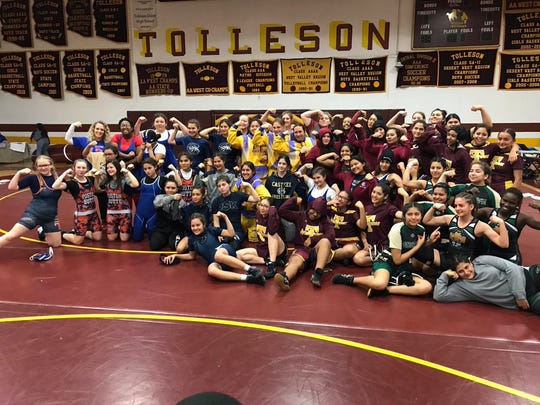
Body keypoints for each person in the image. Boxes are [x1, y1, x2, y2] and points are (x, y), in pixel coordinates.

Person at [332, 202, 433, 298]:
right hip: (387, 261)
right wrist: (416, 247)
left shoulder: (421, 229)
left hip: (404, 267)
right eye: (410, 214)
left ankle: (387, 289)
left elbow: (420, 246)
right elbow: (397, 259)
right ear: (404, 216)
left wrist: (430, 241)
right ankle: (351, 279)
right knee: (379, 284)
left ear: (421, 215)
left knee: (426, 287)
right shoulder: (397, 229)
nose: (413, 217)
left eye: (417, 214)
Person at [160, 212, 266, 286]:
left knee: (218, 255)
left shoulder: (210, 230)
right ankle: (247, 278)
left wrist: (225, 217)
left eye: (198, 225)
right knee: (211, 270)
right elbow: (191, 256)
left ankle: (251, 269)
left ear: (204, 224)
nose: (195, 228)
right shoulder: (191, 240)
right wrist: (175, 255)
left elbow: (231, 233)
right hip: (218, 262)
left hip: (224, 251)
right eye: (193, 226)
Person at [422, 191, 509, 271]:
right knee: (421, 255)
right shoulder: (450, 219)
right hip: (449, 259)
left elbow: (504, 244)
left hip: (465, 265)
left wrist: (501, 223)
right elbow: (427, 221)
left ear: (471, 206)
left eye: (461, 205)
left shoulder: (480, 226)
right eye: (455, 206)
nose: (457, 208)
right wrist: (433, 207)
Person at [433, 254, 540, 316]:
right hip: (529, 297)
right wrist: (445, 275)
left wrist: (519, 295)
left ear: (470, 263)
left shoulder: (481, 260)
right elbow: (439, 295)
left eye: (467, 267)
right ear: (456, 273)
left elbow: (512, 268)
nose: (466, 272)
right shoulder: (462, 287)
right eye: (461, 271)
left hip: (529, 275)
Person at [0, 156, 62, 253]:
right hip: (33, 215)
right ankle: (42, 228)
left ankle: (42, 231)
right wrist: (19, 173)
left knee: (56, 244)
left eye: (45, 165)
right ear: (36, 167)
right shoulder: (33, 178)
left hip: (50, 217)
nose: (43, 168)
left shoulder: (57, 178)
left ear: (51, 165)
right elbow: (12, 187)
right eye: (39, 166)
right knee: (11, 236)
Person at [274, 197, 335, 291]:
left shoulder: (325, 220)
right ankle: (285, 278)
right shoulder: (301, 215)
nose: (314, 215)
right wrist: (294, 200)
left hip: (317, 253)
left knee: (325, 241)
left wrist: (314, 239)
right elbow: (282, 211)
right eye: (313, 211)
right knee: (295, 261)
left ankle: (317, 274)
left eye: (318, 213)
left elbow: (331, 235)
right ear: (309, 207)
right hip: (302, 250)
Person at [477, 188, 540, 265]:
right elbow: (466, 212)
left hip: (509, 257)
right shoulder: (487, 212)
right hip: (488, 255)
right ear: (500, 199)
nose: (506, 204)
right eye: (505, 200)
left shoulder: (521, 218)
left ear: (518, 205)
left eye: (511, 203)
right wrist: (470, 194)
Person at [234, 197, 288, 279]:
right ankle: (267, 261)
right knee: (238, 255)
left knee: (271, 233)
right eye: (261, 205)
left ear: (271, 209)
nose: (262, 208)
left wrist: (272, 212)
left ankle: (272, 264)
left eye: (266, 206)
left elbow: (273, 231)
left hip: (278, 250)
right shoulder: (258, 215)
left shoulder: (274, 217)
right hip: (263, 249)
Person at [52, 159, 102, 245]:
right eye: (78, 167)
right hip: (82, 215)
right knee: (78, 241)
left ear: (87, 169)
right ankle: (63, 234)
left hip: (93, 214)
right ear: (74, 168)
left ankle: (80, 232)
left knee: (97, 238)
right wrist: (65, 173)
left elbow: (98, 188)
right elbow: (55, 186)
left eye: (83, 168)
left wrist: (98, 176)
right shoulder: (72, 183)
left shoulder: (90, 179)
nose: (81, 170)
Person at [94, 160, 140, 241]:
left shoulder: (123, 179)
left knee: (124, 239)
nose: (109, 169)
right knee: (111, 238)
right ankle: (119, 227)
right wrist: (97, 178)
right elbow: (97, 189)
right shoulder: (106, 180)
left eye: (111, 167)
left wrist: (128, 173)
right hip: (111, 213)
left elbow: (136, 184)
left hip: (124, 212)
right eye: (107, 168)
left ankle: (124, 228)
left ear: (117, 168)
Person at [211, 174, 260, 249]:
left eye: (223, 184)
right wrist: (219, 234)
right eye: (219, 186)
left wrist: (249, 186)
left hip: (237, 231)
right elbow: (216, 222)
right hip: (224, 232)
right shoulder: (216, 201)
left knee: (232, 246)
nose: (221, 188)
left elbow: (256, 199)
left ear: (229, 184)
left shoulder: (238, 195)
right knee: (219, 246)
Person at [234, 161, 271, 242]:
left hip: (254, 217)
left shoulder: (256, 182)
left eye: (248, 170)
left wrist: (253, 205)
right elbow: (233, 196)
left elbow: (266, 197)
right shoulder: (239, 182)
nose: (245, 172)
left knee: (254, 241)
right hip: (242, 216)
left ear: (253, 171)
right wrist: (239, 203)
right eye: (243, 170)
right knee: (239, 239)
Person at [132, 158, 166, 242]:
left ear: (155, 167)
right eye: (145, 169)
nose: (147, 171)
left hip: (153, 213)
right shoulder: (141, 180)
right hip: (140, 212)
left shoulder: (161, 180)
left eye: (149, 168)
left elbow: (175, 186)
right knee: (136, 238)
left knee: (152, 238)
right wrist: (128, 171)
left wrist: (174, 171)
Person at [150, 178, 186, 251]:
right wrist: (172, 197)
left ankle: (171, 238)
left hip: (175, 228)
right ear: (164, 188)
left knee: (174, 246)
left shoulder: (181, 201)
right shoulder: (160, 197)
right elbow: (156, 203)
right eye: (168, 187)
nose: (170, 190)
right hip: (162, 228)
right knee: (154, 246)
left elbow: (181, 216)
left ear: (177, 189)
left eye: (173, 188)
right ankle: (165, 239)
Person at [489, 128, 523, 195]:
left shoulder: (515, 157)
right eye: (500, 139)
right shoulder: (494, 152)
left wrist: (513, 195)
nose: (501, 142)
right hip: (492, 188)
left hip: (505, 190)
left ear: (513, 141)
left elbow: (518, 179)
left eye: (506, 139)